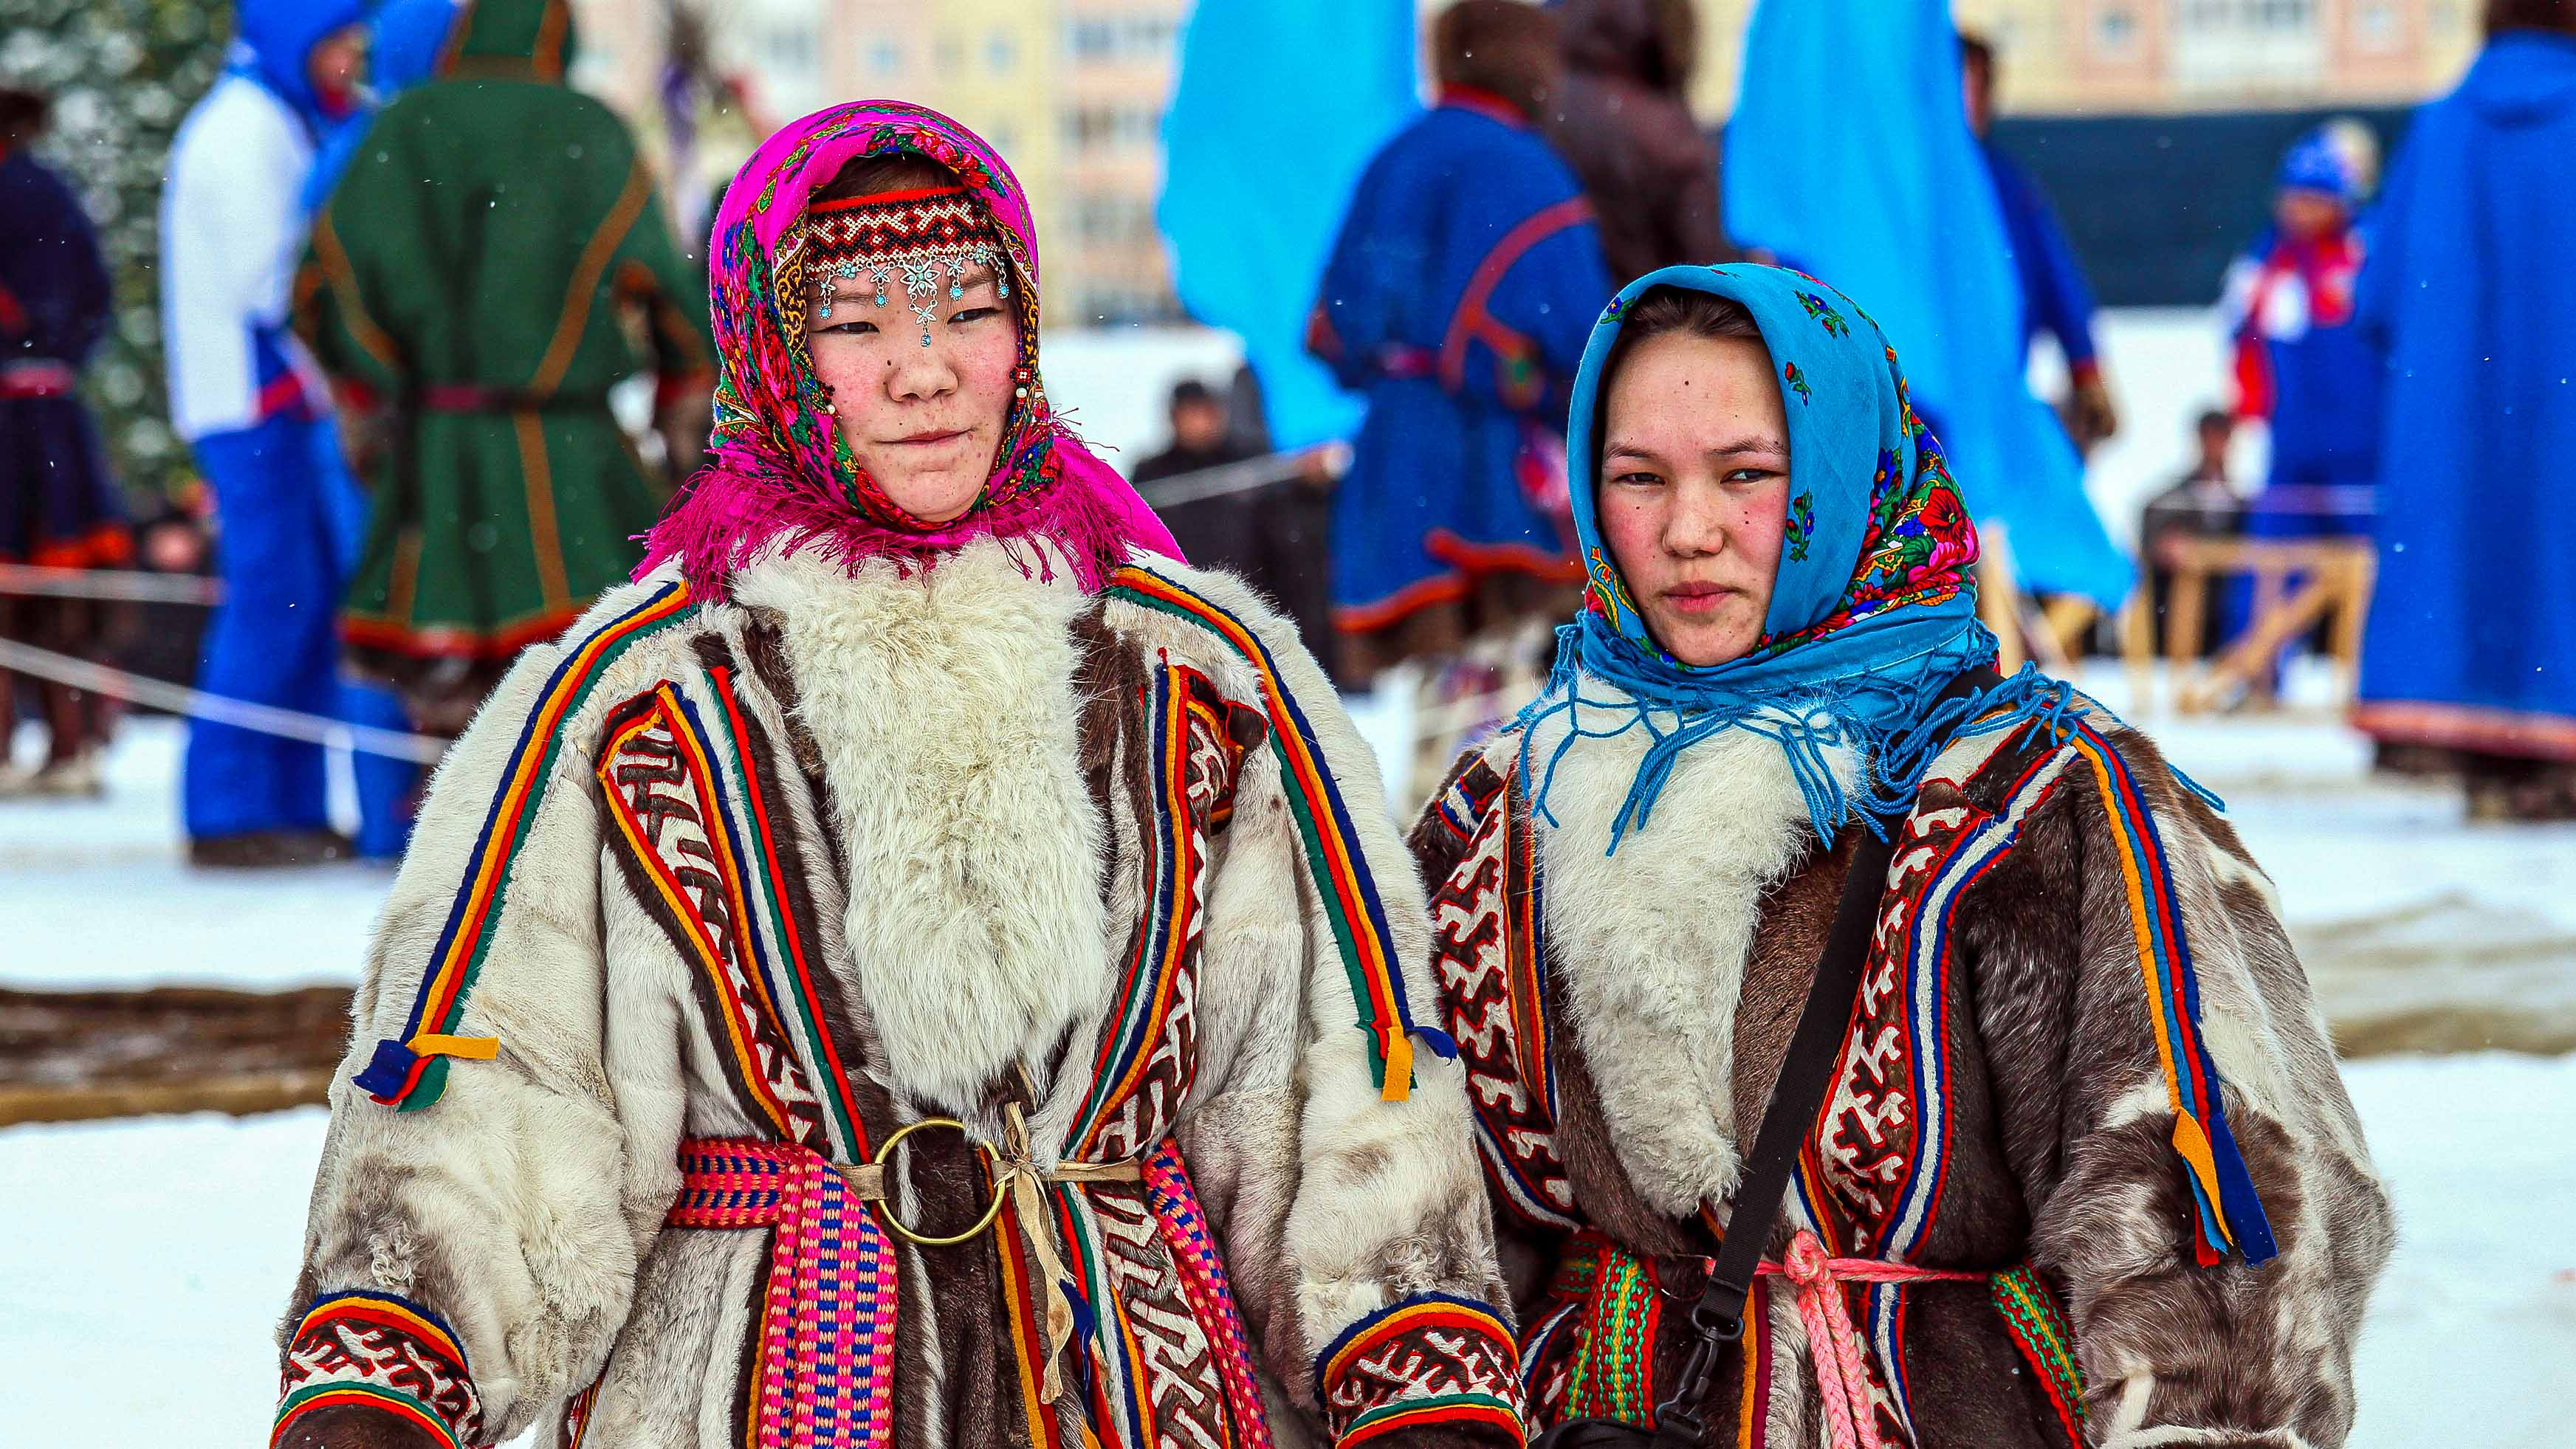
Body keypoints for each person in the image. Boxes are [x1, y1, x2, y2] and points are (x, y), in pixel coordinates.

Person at [268, 103, 1522, 1449]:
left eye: (965, 310)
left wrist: (1413, 1376)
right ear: (768, 346)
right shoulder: (630, 700)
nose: (924, 372)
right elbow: (499, 1074)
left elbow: (1335, 1055)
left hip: (1140, 1388)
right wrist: (391, 1387)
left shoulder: (1201, 674)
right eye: (855, 324)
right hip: (749, 1386)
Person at [1410, 266, 2391, 1446]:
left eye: (1746, 475)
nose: (1687, 531)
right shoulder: (1510, 804)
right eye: (1637, 479)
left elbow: (2217, 1234)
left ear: (1841, 471)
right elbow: (1421, 1202)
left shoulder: (2039, 793)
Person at [294, 0, 715, 738]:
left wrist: (371, 391)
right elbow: (666, 289)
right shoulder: (588, 129)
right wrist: (683, 399)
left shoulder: (404, 125)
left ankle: (444, 833)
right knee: (596, 672)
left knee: (447, 674)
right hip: (570, 460)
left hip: (434, 449)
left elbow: (321, 285)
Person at [162, 0, 418, 864]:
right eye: (339, 44)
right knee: (272, 604)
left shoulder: (282, 117)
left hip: (284, 404)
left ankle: (289, 806)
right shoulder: (242, 131)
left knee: (306, 610)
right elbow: (272, 284)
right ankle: (229, 809)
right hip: (255, 406)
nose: (352, 62)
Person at [1308, 0, 1613, 680]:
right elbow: (1579, 339)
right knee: (1517, 691)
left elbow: (1334, 330)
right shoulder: (1524, 167)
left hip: (1391, 453)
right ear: (1532, 63)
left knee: (1434, 690)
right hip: (1489, 461)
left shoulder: (1391, 157)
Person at [2353, 0, 2576, 818]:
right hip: (2566, 428)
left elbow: (2374, 299)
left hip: (2456, 432)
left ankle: (2488, 753)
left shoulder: (2439, 131)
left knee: (2466, 565)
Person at [0, 86, 130, 797]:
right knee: (61, 589)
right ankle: (72, 745)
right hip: (54, 408)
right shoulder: (53, 190)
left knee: (17, 587)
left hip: (13, 413)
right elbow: (96, 296)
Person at [1959, 31, 2118, 452]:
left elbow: (2055, 280)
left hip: (1998, 390)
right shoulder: (1898, 193)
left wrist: (2084, 368)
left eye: (1976, 85)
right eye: (1956, 83)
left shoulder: (2006, 186)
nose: (1965, 100)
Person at [2222, 125, 2381, 543]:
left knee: (2371, 555)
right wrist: (2248, 405)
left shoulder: (2367, 254)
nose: (2301, 211)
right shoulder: (2267, 265)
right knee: (2276, 559)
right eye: (2294, 198)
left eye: (2315, 199)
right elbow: (2245, 341)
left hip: (2362, 447)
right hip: (2292, 445)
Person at [1133, 377, 1336, 665]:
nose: (1200, 423)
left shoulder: (1252, 462)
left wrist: (1311, 483)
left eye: (1206, 412)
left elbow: (1292, 524)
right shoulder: (1151, 474)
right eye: (1190, 414)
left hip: (1249, 604)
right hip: (1180, 609)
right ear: (1174, 418)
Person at [1545, 0, 1730, 283]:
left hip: (1560, 315)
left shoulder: (1537, 107)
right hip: (1640, 317)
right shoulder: (1664, 132)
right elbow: (1714, 274)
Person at [2138, 407, 2243, 657]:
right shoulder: (2168, 501)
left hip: (2227, 628)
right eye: (2209, 436)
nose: (2215, 445)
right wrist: (2165, 543)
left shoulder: (2244, 506)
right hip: (2175, 631)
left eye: (2222, 437)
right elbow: (2151, 534)